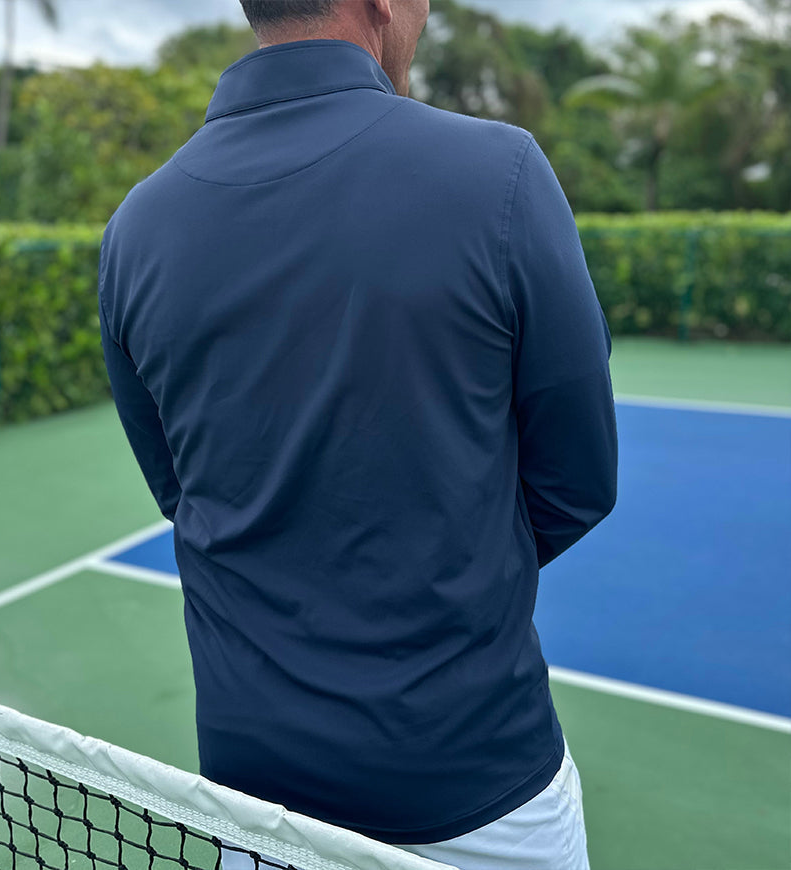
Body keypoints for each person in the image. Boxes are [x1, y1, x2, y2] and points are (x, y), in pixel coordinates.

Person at [98, 1, 618, 867]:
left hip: (255, 813)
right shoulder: (502, 173)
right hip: (481, 793)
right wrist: (446, 567)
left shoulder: (135, 228)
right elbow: (577, 482)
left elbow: (181, 491)